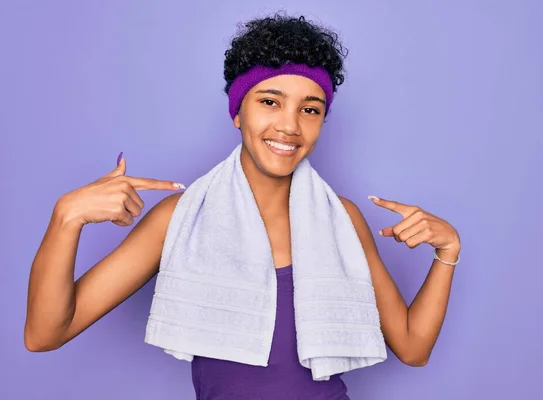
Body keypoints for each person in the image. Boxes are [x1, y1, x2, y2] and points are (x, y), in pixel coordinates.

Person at [24, 13, 461, 399]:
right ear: (238, 111)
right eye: (269, 101)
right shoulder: (181, 218)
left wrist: (448, 253)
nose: (289, 126)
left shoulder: (342, 219)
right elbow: (45, 334)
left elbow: (412, 348)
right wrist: (67, 217)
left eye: (310, 109)